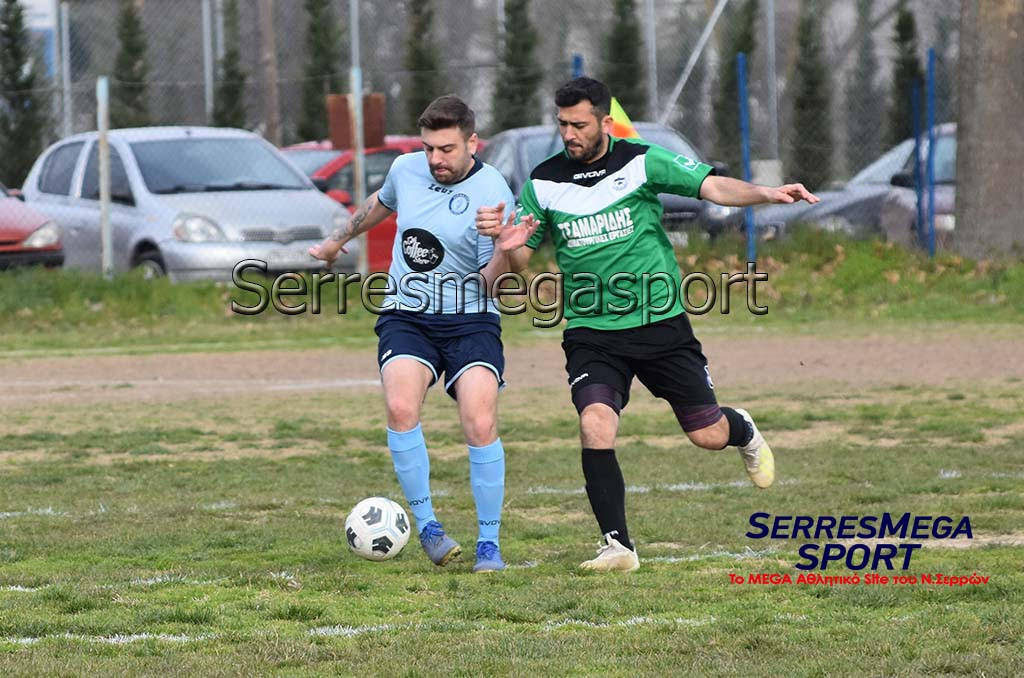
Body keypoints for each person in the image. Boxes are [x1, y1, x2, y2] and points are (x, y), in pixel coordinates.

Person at [475, 77, 819, 572]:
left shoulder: (641, 160)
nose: (569, 134)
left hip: (660, 324)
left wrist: (766, 192)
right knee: (595, 423)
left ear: (604, 122)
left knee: (706, 434)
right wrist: (508, 247)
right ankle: (618, 545)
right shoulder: (543, 182)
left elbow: (712, 185)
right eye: (563, 124)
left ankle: (741, 428)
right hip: (592, 330)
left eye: (579, 124)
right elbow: (519, 260)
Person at [311, 95, 536, 573]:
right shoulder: (406, 168)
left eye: (447, 149)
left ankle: (489, 544)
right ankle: (429, 528)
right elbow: (381, 202)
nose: (436, 159)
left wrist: (502, 245)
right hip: (407, 314)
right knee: (400, 408)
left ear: (472, 143)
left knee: (479, 423)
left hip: (470, 318)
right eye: (429, 147)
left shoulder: (492, 191)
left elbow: (493, 283)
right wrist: (337, 240)